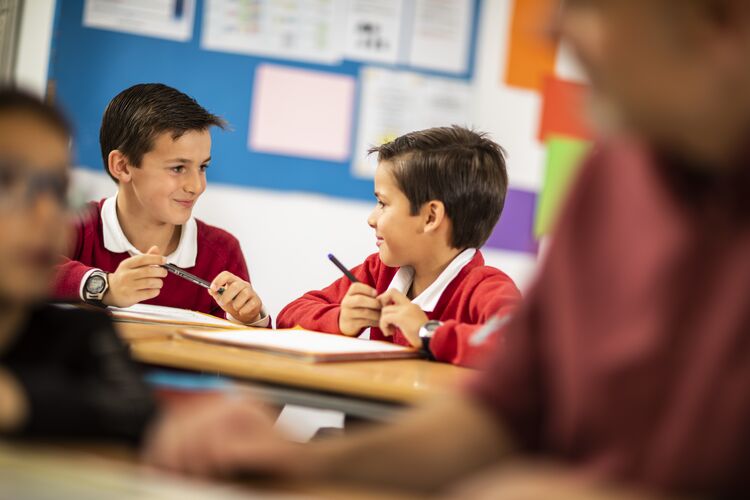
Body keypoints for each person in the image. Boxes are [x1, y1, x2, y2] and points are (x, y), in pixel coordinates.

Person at [144, 0, 750, 497]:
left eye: (586, 5)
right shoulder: (612, 177)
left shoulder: (486, 287)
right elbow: (500, 413)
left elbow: (503, 352)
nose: (551, 27)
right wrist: (292, 464)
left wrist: (429, 333)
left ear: (718, 17)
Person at [277, 126, 521, 367]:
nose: (371, 219)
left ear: (430, 217)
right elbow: (289, 316)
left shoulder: (486, 288)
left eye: (383, 203)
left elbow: (520, 349)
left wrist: (428, 333)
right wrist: (341, 319)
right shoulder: (378, 272)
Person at [0, 88, 155, 442]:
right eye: (5, 182)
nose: (46, 213)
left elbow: (135, 411)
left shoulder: (83, 334)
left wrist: (16, 399)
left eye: (58, 189)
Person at [52, 83, 268, 326]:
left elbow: (243, 353)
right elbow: (19, 269)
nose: (196, 186)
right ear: (122, 166)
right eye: (178, 168)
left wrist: (250, 318)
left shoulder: (222, 252)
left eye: (203, 167)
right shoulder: (74, 224)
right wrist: (106, 287)